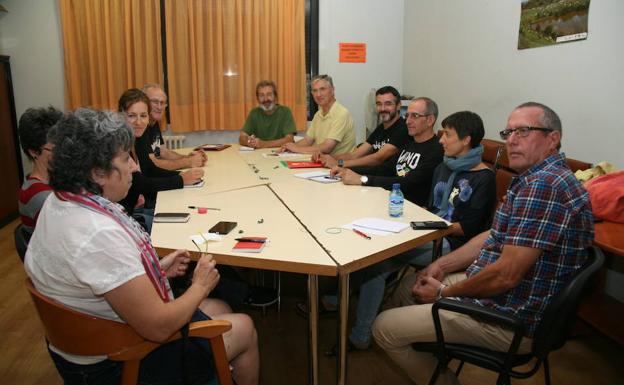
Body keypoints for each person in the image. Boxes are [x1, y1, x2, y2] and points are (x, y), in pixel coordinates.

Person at [24, 108, 259, 385]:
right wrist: (200, 284)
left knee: (218, 307)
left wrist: (157, 268)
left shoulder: (59, 203)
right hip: (119, 363)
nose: (135, 167)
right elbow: (159, 327)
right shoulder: (97, 233)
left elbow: (102, 276)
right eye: (125, 159)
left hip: (85, 348)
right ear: (98, 172)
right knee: (243, 326)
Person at [372, 102, 594, 385]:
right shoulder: (534, 178)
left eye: (523, 131)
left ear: (553, 139)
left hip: (510, 319)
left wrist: (444, 292)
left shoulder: (544, 186)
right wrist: (441, 264)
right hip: (499, 294)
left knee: (384, 329)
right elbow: (494, 235)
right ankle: (431, 351)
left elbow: (506, 275)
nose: (511, 140)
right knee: (410, 286)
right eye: (508, 132)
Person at [324, 111, 496, 356]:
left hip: (450, 244)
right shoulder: (444, 167)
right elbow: (430, 207)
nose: (441, 140)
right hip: (426, 232)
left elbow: (467, 228)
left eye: (447, 135)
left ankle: (354, 322)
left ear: (466, 140)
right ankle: (359, 330)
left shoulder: (484, 178)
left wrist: (426, 225)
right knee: (375, 261)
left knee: (377, 260)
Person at [332, 97, 443, 206]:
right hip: (389, 199)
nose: (408, 121)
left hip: (410, 208)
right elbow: (385, 169)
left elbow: (408, 183)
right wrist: (347, 169)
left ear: (430, 120)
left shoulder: (437, 149)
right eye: (407, 116)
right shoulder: (409, 144)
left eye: (415, 116)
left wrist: (362, 179)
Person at [117, 88, 204, 229]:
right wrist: (181, 180)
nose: (139, 122)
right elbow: (139, 183)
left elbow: (150, 168)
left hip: (130, 213)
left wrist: (182, 175)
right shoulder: (119, 144)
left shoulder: (138, 138)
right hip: (122, 220)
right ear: (121, 115)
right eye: (132, 115)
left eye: (143, 116)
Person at [312, 85, 410, 169]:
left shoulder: (403, 128)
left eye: (388, 104)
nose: (383, 108)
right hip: (370, 175)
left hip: (387, 182)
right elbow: (354, 154)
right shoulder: (381, 128)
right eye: (379, 104)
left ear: (398, 106)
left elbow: (378, 158)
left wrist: (338, 163)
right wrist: (326, 158)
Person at [17, 106, 64, 238]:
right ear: (33, 151)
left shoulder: (48, 180)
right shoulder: (42, 197)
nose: (63, 153)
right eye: (55, 149)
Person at [281, 74, 355, 155]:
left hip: (339, 164)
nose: (318, 94)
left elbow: (327, 147)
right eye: (315, 91)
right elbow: (308, 140)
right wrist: (288, 147)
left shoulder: (341, 114)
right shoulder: (318, 114)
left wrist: (296, 148)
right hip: (323, 162)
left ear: (333, 90)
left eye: (322, 89)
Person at [140, 83, 207, 171]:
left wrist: (188, 158)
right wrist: (188, 162)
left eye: (162, 103)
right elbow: (151, 164)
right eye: (155, 102)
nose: (159, 107)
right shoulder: (139, 127)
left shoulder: (153, 122)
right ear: (143, 102)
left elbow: (163, 152)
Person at [239, 80, 297, 148]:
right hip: (259, 154)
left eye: (269, 94)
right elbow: (242, 137)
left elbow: (289, 139)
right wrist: (249, 142)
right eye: (261, 95)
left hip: (281, 153)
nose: (265, 99)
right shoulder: (254, 113)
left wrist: (264, 144)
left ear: (275, 97)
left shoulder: (285, 112)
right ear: (258, 99)